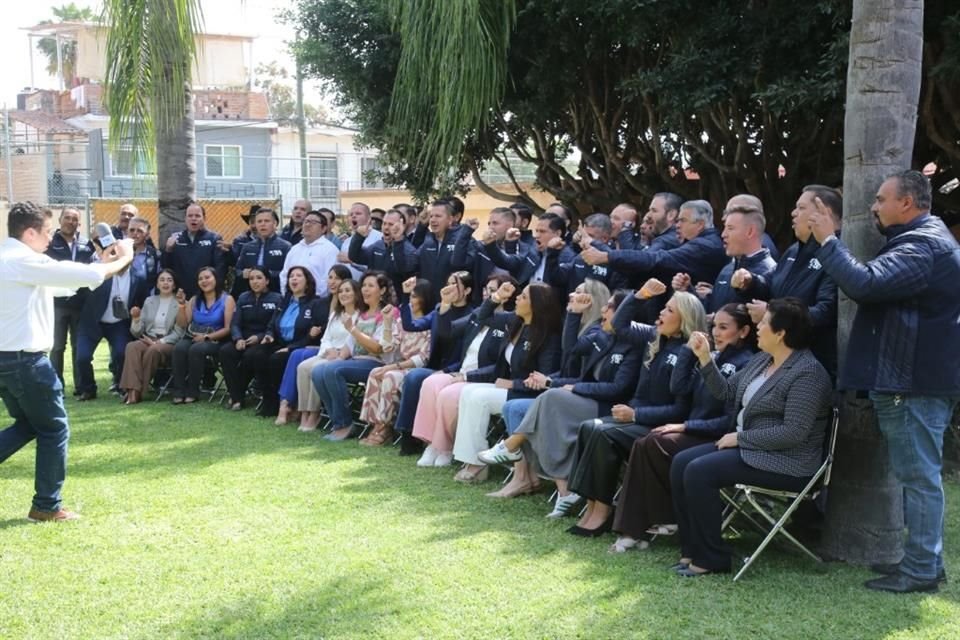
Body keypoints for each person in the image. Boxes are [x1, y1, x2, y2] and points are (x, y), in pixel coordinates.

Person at [810, 169, 960, 593]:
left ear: (907, 203)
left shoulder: (922, 246)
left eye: (880, 199)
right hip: (912, 381)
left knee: (919, 478)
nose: (873, 207)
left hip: (911, 385)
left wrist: (827, 240)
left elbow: (865, 284)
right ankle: (924, 563)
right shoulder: (922, 241)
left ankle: (921, 571)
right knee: (919, 476)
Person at [670, 298, 831, 576]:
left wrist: (741, 439)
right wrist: (706, 359)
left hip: (788, 462)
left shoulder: (808, 373)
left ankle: (711, 559)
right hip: (754, 450)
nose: (758, 327)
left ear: (781, 333)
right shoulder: (762, 360)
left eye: (765, 323)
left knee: (699, 471)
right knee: (681, 462)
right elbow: (725, 393)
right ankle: (692, 549)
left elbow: (793, 433)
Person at [0, 201, 133, 522]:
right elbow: (87, 275)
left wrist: (100, 263)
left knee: (32, 424)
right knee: (54, 429)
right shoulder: (22, 260)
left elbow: (64, 284)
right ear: (29, 232)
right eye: (46, 232)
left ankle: (46, 504)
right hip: (26, 363)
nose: (50, 239)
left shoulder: (13, 261)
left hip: (9, 362)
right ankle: (46, 506)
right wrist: (123, 258)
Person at [609, 303, 756, 552]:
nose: (716, 333)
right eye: (714, 327)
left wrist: (684, 426)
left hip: (716, 436)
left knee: (656, 441)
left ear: (743, 332)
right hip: (695, 431)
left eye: (724, 327)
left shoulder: (747, 363)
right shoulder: (710, 355)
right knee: (646, 443)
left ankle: (644, 525)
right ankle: (638, 528)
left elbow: (728, 421)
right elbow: (679, 388)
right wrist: (690, 351)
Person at [478, 288, 643, 506]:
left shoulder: (633, 343)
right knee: (517, 407)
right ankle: (557, 488)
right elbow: (571, 349)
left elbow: (617, 389)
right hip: (582, 398)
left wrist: (563, 386)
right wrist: (574, 314)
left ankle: (510, 447)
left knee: (550, 398)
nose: (603, 309)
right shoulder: (600, 335)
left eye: (610, 306)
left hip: (606, 406)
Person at [564, 282, 705, 536]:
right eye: (663, 308)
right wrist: (640, 295)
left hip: (658, 425)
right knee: (588, 427)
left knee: (603, 433)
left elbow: (680, 409)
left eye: (669, 310)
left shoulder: (691, 351)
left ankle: (604, 509)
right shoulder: (654, 335)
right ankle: (591, 504)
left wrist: (637, 414)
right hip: (635, 418)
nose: (661, 313)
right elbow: (619, 325)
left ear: (684, 318)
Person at [450, 281, 563, 483]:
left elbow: (544, 378)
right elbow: (481, 318)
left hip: (526, 394)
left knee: (479, 398)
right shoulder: (514, 321)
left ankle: (477, 463)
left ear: (536, 305)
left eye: (524, 297)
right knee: (468, 392)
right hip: (506, 385)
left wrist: (514, 384)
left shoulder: (548, 335)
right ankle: (470, 458)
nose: (517, 298)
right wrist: (496, 298)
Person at [412, 274, 517, 467]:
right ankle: (431, 445)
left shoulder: (510, 322)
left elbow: (500, 366)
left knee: (448, 395)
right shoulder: (478, 315)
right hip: (461, 373)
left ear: (508, 294)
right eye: (487, 289)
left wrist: (466, 376)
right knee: (430, 382)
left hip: (481, 379)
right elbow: (446, 332)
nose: (488, 294)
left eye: (494, 290)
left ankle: (445, 447)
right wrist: (444, 305)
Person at [742, 185, 841, 379]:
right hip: (779, 359)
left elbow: (826, 311)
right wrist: (751, 282)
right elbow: (771, 285)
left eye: (801, 208)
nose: (793, 213)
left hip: (813, 366)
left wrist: (774, 314)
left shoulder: (837, 253)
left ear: (825, 212)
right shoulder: (794, 250)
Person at [392, 271, 477, 456]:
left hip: (453, 370)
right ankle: (408, 436)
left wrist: (446, 371)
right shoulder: (440, 308)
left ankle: (427, 440)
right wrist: (406, 296)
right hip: (434, 366)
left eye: (455, 284)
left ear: (468, 290)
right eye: (447, 283)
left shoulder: (472, 315)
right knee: (414, 378)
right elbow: (411, 326)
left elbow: (457, 343)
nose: (448, 288)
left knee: (415, 377)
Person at [312, 271, 396, 441]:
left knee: (333, 371)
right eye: (364, 285)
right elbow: (349, 347)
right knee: (318, 371)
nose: (365, 289)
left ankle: (345, 424)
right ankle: (337, 422)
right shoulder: (362, 314)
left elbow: (378, 348)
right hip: (357, 361)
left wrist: (353, 330)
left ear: (382, 290)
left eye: (370, 286)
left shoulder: (387, 313)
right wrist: (335, 358)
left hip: (377, 363)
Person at [357, 278, 434, 446]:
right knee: (376, 373)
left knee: (390, 376)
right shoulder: (402, 321)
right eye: (410, 296)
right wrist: (387, 322)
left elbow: (422, 359)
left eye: (414, 297)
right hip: (399, 366)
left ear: (425, 298)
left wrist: (393, 366)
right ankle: (376, 424)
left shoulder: (430, 322)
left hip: (416, 369)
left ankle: (385, 427)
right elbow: (387, 347)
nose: (411, 301)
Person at [284, 272, 359, 430]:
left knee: (315, 369)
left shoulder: (360, 315)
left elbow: (355, 338)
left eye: (347, 290)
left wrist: (339, 353)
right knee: (303, 367)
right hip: (328, 352)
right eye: (341, 292)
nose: (343, 294)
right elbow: (325, 338)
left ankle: (315, 413)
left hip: (345, 355)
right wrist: (329, 349)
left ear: (356, 293)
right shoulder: (336, 315)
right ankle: (304, 412)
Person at [74, 245, 151, 400]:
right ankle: (88, 389)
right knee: (82, 357)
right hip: (92, 321)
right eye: (118, 254)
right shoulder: (101, 272)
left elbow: (141, 301)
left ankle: (121, 385)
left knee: (122, 353)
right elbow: (81, 292)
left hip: (118, 324)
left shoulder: (139, 278)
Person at [251, 267, 326, 417]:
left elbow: (314, 334)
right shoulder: (284, 301)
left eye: (299, 276)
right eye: (291, 276)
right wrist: (269, 334)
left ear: (308, 281)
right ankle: (268, 400)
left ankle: (282, 402)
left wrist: (291, 348)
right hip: (278, 342)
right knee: (256, 354)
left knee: (276, 360)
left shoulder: (315, 303)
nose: (294, 279)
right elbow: (272, 323)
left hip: (300, 346)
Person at [219, 266, 284, 410]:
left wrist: (259, 337)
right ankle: (236, 396)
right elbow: (235, 323)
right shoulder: (243, 297)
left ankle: (237, 397)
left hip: (264, 340)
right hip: (243, 338)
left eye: (259, 278)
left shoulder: (277, 298)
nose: (255, 282)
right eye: (252, 279)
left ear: (267, 280)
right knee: (225, 351)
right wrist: (238, 338)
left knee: (250, 356)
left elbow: (274, 324)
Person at [45, 207, 96, 392]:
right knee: (57, 347)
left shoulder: (86, 244)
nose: (70, 222)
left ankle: (81, 386)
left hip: (80, 303)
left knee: (78, 346)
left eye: (74, 219)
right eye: (67, 218)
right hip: (57, 303)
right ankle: (56, 386)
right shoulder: (50, 243)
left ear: (79, 223)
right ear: (60, 220)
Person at [118, 269, 186, 404]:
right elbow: (137, 332)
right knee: (132, 346)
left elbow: (180, 333)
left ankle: (137, 392)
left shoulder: (180, 302)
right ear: (157, 284)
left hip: (168, 343)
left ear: (174, 285)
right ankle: (133, 390)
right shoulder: (149, 301)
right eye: (162, 280)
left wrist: (158, 342)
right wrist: (136, 319)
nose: (165, 283)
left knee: (153, 350)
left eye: (169, 280)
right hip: (148, 338)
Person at [170, 267, 236, 404]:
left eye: (207, 277)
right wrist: (182, 305)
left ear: (216, 279)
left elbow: (228, 328)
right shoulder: (194, 300)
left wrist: (207, 337)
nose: (204, 281)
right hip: (193, 335)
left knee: (196, 349)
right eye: (200, 279)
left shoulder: (227, 299)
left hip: (216, 340)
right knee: (179, 348)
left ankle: (193, 391)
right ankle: (179, 391)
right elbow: (183, 323)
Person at [162, 202, 226, 298]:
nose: (193, 218)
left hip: (205, 293)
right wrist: (168, 250)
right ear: (185, 219)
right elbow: (166, 267)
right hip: (181, 294)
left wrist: (213, 290)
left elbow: (220, 268)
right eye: (190, 216)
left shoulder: (214, 238)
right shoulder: (175, 239)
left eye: (197, 216)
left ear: (204, 218)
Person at [279, 210, 340, 299]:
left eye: (313, 222)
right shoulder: (294, 249)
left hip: (317, 301)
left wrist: (311, 297)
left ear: (323, 229)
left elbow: (329, 280)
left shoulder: (330, 250)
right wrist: (288, 295)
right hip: (292, 300)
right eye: (306, 221)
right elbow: (284, 275)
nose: (308, 225)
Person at [233, 208, 292, 296]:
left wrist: (267, 274)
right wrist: (243, 274)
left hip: (277, 294)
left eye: (266, 221)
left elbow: (290, 272)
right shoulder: (247, 247)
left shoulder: (285, 246)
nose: (263, 224)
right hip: (251, 296)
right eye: (259, 221)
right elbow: (237, 270)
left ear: (275, 224)